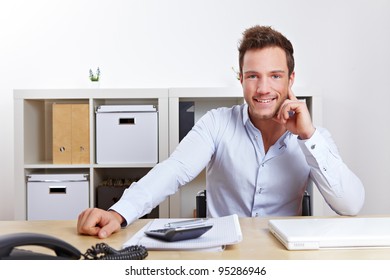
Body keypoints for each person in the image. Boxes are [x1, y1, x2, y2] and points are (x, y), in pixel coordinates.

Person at [77, 25, 365, 238]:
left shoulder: (315, 137)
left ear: (291, 79)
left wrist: (308, 137)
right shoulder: (216, 123)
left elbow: (350, 204)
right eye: (253, 76)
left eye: (275, 76)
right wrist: (118, 212)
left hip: (282, 255)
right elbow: (174, 170)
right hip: (223, 255)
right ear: (241, 79)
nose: (263, 88)